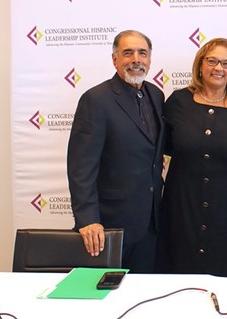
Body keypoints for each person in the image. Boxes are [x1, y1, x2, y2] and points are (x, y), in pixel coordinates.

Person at [156, 38, 227, 276]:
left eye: (226, 63)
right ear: (200, 66)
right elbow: (161, 148)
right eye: (212, 61)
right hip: (181, 205)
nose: (218, 68)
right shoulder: (177, 102)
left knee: (226, 269)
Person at [67, 30, 165, 273]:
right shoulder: (96, 100)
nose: (136, 59)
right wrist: (88, 219)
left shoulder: (156, 94)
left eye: (142, 53)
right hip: (109, 225)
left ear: (150, 60)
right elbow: (81, 167)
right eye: (127, 53)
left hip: (151, 222)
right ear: (114, 59)